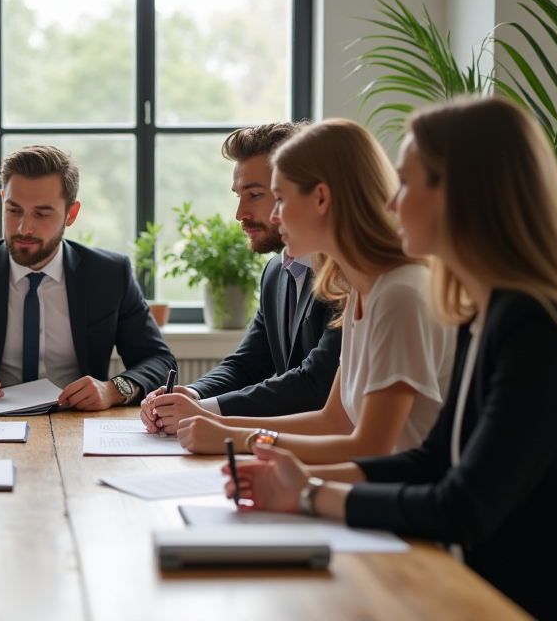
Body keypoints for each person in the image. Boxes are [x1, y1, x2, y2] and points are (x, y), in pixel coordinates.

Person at [225, 97, 557, 621]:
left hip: (528, 599)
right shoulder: (488, 314)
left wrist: (310, 494)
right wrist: (295, 483)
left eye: (406, 184)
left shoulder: (544, 329)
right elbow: (432, 460)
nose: (389, 203)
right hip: (475, 581)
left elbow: (462, 505)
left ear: (463, 196)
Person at [160, 119, 456, 464]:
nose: (273, 215)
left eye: (278, 198)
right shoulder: (361, 292)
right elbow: (334, 420)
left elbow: (368, 446)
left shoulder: (397, 292)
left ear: (321, 198)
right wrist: (209, 420)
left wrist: (235, 436)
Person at [0, 145, 176, 411]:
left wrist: (113, 389)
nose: (24, 228)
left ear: (71, 214)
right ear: (1, 201)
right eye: (14, 210)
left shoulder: (109, 274)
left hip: (79, 422)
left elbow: (158, 360)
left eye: (42, 213)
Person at [139, 122, 342, 434]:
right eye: (238, 195)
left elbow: (317, 383)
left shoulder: (346, 274)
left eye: (256, 195)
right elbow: (247, 363)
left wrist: (203, 411)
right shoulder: (276, 272)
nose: (240, 213)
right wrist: (190, 394)